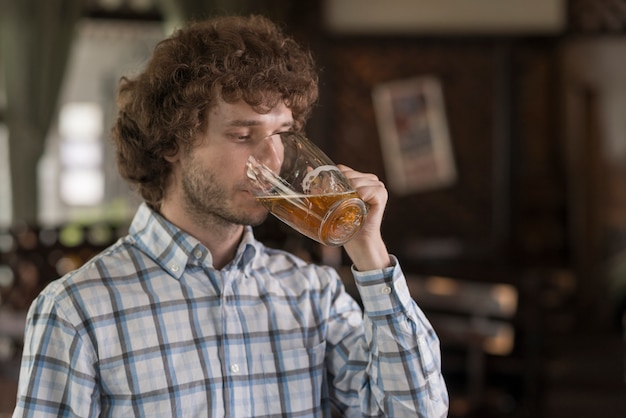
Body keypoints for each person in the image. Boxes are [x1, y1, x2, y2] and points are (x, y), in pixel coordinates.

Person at [13, 15, 448, 417]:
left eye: (282, 133)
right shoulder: (75, 311)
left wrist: (370, 252)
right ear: (171, 144)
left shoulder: (313, 295)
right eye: (243, 135)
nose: (272, 158)